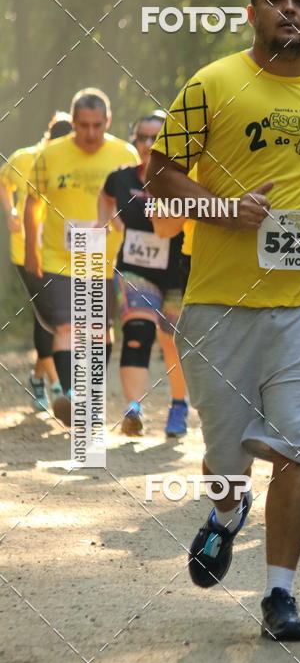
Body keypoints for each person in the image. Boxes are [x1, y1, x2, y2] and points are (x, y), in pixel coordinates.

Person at [147, 0, 300, 640]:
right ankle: (223, 514)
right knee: (226, 455)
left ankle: (280, 595)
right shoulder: (214, 83)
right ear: (253, 12)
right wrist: (223, 209)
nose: (290, 10)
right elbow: (158, 175)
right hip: (221, 301)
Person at [24, 88, 139, 426]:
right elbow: (33, 202)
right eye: (83, 125)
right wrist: (31, 248)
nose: (90, 133)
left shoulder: (124, 153)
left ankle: (89, 393)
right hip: (60, 255)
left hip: (108, 257)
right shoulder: (51, 154)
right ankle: (71, 396)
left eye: (97, 125)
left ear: (108, 122)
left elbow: (137, 198)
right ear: (72, 122)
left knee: (99, 329)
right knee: (67, 324)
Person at [96, 111, 188, 437]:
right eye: (142, 137)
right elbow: (106, 196)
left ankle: (179, 406)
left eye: (156, 138)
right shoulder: (121, 178)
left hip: (179, 271)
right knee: (137, 331)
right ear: (134, 140)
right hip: (135, 268)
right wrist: (107, 222)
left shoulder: (185, 177)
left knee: (171, 340)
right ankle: (132, 408)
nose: (148, 144)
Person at [0, 113, 72, 411]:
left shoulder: (76, 163)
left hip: (62, 253)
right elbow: (4, 181)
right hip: (26, 251)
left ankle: (39, 378)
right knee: (49, 316)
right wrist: (10, 213)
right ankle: (56, 385)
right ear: (48, 139)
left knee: (57, 318)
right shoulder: (24, 157)